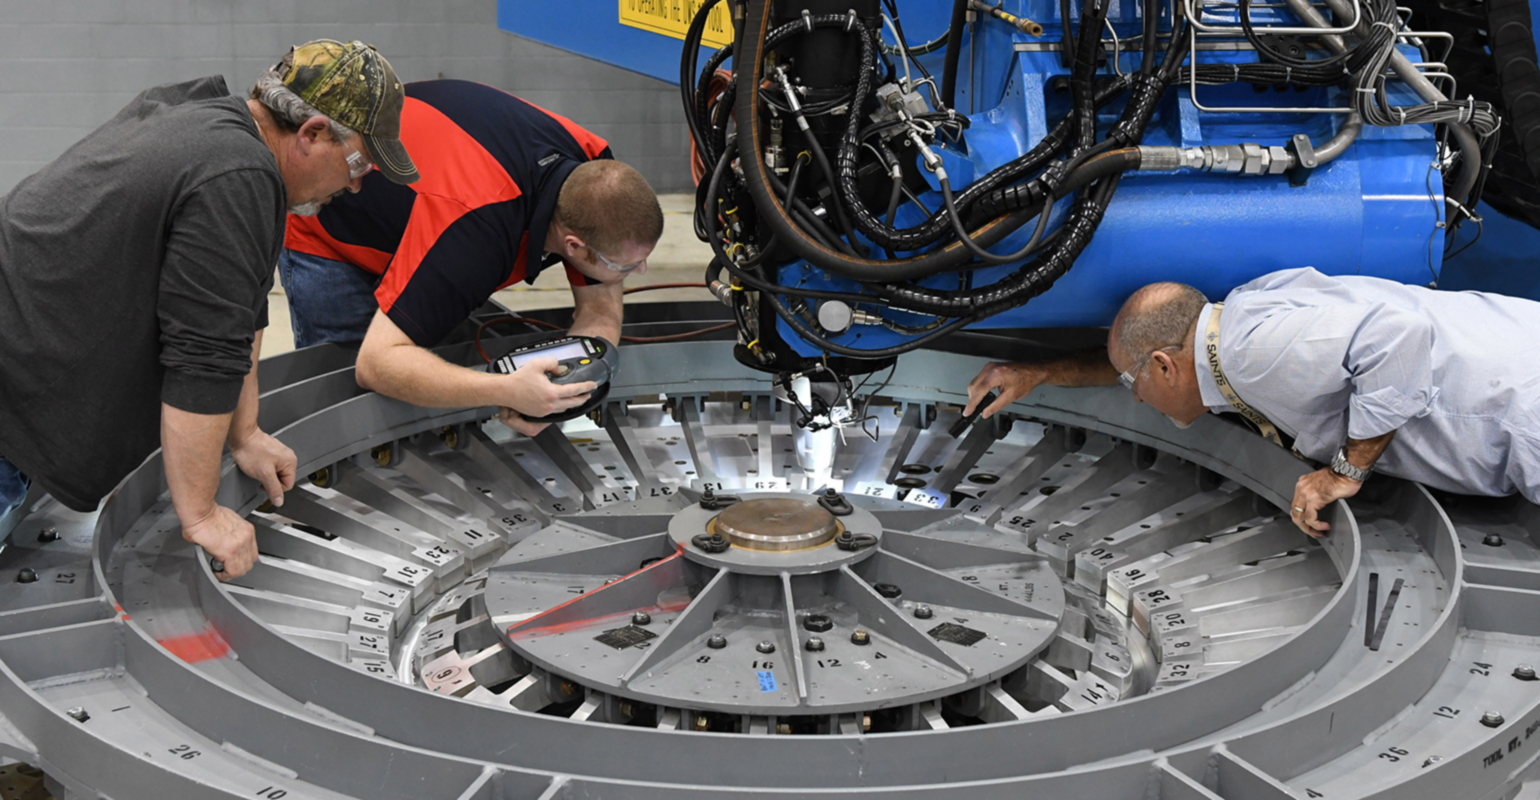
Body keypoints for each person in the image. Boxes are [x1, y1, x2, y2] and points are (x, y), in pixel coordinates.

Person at [0, 40, 419, 579]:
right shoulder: (237, 178)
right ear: (312, 134)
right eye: (359, 162)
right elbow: (202, 357)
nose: (358, 186)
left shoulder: (203, 118)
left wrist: (244, 433)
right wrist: (200, 513)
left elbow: (240, 314)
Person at [963, 267, 1540, 536]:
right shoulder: (1232, 324)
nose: (1134, 398)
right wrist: (1037, 372)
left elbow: (1397, 336)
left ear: (1164, 365)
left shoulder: (1253, 354)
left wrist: (1345, 472)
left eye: (1132, 385)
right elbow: (1133, 358)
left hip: (1522, 408)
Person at [280, 79, 665, 436]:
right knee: (348, 409)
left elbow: (599, 312)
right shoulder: (474, 233)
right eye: (625, 267)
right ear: (573, 245)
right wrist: (506, 390)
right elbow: (376, 365)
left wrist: (560, 397)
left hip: (437, 199)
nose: (638, 271)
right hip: (332, 230)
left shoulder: (593, 169)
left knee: (432, 362)